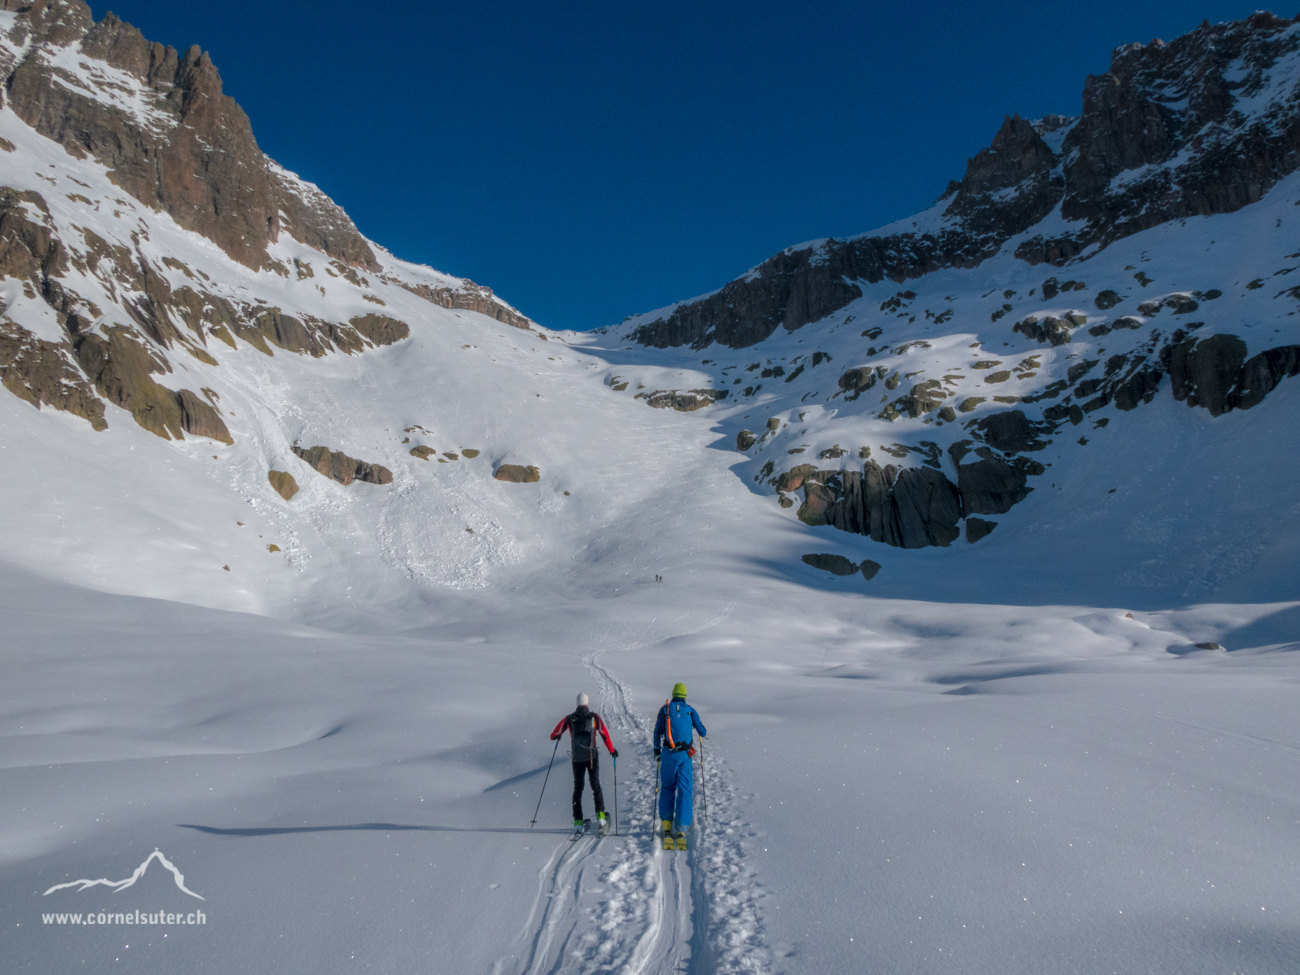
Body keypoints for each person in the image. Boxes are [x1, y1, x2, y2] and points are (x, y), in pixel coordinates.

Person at [550, 693, 618, 832]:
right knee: (595, 785)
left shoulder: (569, 719)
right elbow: (604, 734)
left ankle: (578, 822)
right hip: (592, 757)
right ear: (587, 703)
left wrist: (557, 736)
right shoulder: (594, 717)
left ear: (577, 704)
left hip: (577, 759)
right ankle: (600, 818)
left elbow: (553, 734)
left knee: (578, 789)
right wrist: (611, 750)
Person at [653, 682, 707, 849]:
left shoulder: (665, 710)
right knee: (684, 790)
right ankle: (682, 828)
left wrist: (656, 750)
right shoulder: (690, 710)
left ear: (674, 694)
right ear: (684, 695)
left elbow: (657, 731)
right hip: (684, 756)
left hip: (668, 755)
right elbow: (703, 732)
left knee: (668, 788)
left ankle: (667, 825)